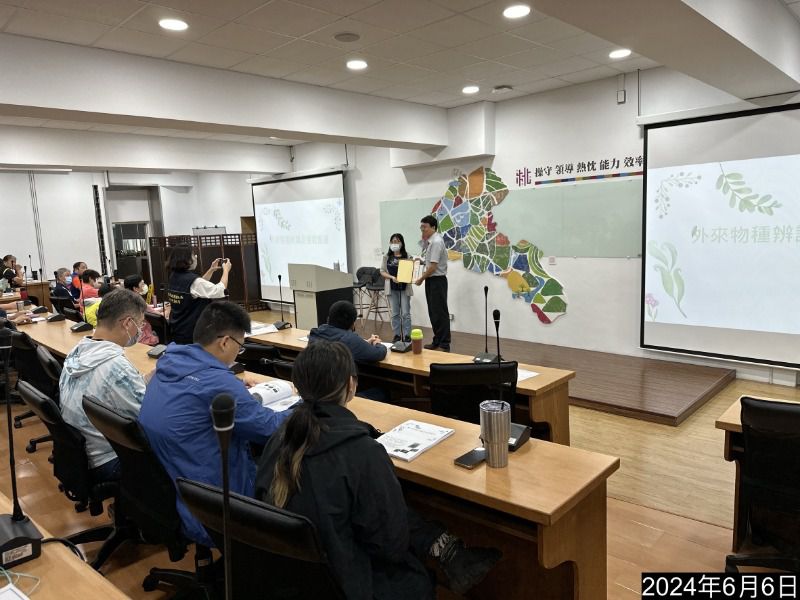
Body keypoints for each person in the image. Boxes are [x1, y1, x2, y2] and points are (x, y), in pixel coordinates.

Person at [255, 341, 501, 599]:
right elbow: (391, 545)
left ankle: (448, 549)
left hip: (295, 576)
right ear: (351, 385)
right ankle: (446, 550)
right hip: (347, 581)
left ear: (297, 386)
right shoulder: (362, 452)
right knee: (411, 568)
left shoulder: (281, 437)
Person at [139, 301, 290, 548]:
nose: (237, 353)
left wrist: (233, 388)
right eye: (240, 347)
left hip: (176, 492)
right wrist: (300, 411)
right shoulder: (218, 383)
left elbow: (197, 393)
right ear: (225, 342)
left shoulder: (169, 363)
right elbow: (268, 428)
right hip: (215, 510)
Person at [59, 289, 148, 483]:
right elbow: (149, 420)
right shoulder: (117, 368)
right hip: (108, 459)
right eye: (140, 324)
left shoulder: (77, 351)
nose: (140, 330)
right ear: (127, 323)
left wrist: (143, 379)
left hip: (82, 453)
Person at [166, 245, 231, 344]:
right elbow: (220, 290)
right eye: (193, 255)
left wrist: (211, 269)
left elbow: (196, 289)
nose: (195, 257)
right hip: (193, 332)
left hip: (178, 327)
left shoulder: (174, 276)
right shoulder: (193, 281)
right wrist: (226, 270)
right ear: (186, 259)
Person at [309, 300, 386, 364]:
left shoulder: (318, 332)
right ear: (352, 324)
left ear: (329, 318)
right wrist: (377, 343)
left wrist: (365, 343)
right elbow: (379, 353)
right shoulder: (349, 340)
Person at [415, 215, 450, 352]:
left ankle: (444, 343)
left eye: (425, 227)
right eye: (421, 227)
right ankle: (437, 340)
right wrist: (421, 261)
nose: (422, 230)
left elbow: (433, 267)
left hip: (437, 280)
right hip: (432, 280)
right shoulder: (431, 241)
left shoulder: (436, 242)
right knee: (434, 312)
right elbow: (430, 262)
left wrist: (421, 279)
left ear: (433, 227)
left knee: (440, 312)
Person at [380, 233, 413, 343]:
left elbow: (412, 271)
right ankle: (397, 335)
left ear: (402, 243)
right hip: (392, 288)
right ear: (390, 243)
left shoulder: (407, 256)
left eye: (397, 241)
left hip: (404, 288)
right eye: (393, 241)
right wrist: (391, 277)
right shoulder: (386, 257)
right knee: (395, 313)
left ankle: (407, 335)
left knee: (405, 313)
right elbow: (382, 271)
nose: (395, 243)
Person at [123, 275, 159, 345]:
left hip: (129, 335)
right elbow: (156, 314)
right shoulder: (138, 301)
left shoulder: (125, 298)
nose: (144, 286)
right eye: (142, 284)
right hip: (142, 337)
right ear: (135, 288)